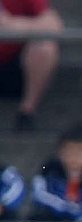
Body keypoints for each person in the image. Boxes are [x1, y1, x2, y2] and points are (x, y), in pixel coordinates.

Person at [0, 0, 63, 131]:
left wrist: (13, 24)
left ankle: (26, 113)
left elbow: (54, 25)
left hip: (14, 68)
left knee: (44, 45)